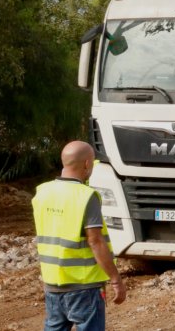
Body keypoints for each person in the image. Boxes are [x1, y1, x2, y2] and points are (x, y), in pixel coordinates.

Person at [32, 141, 126, 331]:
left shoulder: (42, 192)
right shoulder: (86, 196)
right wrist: (115, 279)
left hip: (52, 283)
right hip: (84, 286)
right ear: (86, 164)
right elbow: (95, 241)